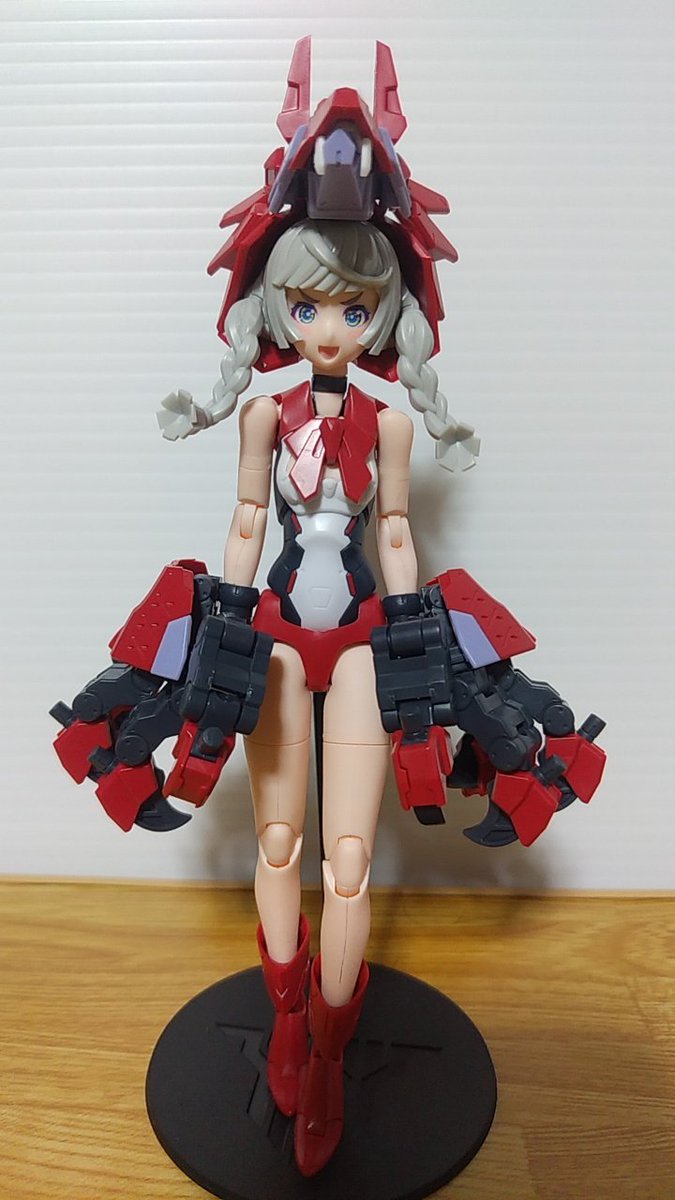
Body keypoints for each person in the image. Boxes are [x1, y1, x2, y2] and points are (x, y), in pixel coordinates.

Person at [158, 216, 478, 1176]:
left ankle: (330, 1051)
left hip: (367, 643)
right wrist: (226, 622)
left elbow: (394, 533)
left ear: (383, 316)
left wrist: (413, 629)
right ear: (275, 312)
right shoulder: (265, 416)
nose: (329, 329)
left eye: (353, 308)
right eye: (305, 308)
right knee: (276, 841)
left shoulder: (390, 423)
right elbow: (247, 521)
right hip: (282, 641)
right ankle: (287, 1019)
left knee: (348, 860)